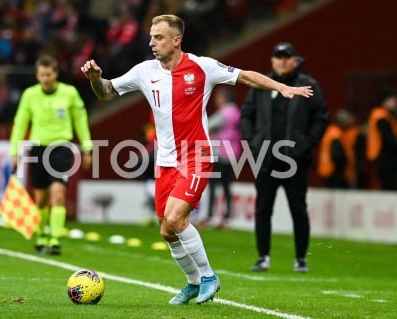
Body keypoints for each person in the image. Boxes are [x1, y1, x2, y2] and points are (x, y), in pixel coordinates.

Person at [81, 15, 313, 304]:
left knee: (177, 218)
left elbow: (245, 75)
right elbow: (106, 92)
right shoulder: (144, 71)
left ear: (176, 40)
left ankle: (208, 277)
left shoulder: (203, 67)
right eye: (151, 37)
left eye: (159, 37)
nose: (152, 42)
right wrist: (94, 79)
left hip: (196, 156)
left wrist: (279, 87)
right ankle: (192, 283)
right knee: (167, 231)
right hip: (165, 162)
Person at [240, 42, 328, 273]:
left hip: (296, 161)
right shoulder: (260, 84)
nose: (281, 61)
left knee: (298, 209)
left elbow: (320, 118)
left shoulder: (308, 85)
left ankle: (300, 258)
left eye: (286, 57)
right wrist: (254, 143)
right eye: (277, 57)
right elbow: (246, 115)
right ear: (272, 61)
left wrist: (305, 145)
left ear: (295, 59)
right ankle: (263, 257)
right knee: (263, 209)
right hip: (265, 159)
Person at [10, 54, 93, 255]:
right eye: (42, 75)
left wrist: (87, 148)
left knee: (58, 194)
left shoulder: (69, 93)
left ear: (55, 73)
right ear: (37, 76)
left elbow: (80, 121)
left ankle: (55, 239)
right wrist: (14, 151)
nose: (45, 79)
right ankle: (41, 235)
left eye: (48, 74)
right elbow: (20, 123)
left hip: (61, 149)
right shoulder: (30, 95)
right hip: (38, 149)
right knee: (40, 198)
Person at [200, 87, 242, 228]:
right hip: (233, 153)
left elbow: (206, 126)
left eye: (218, 97)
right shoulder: (238, 113)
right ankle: (228, 218)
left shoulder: (224, 113)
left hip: (219, 153)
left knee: (212, 185)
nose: (216, 100)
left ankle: (209, 217)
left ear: (224, 98)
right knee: (226, 186)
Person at [317, 109, 355, 189]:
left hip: (329, 171)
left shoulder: (332, 131)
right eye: (347, 119)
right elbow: (337, 155)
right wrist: (344, 165)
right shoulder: (336, 134)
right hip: (335, 173)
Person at [366, 91, 397, 190]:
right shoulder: (381, 117)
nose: (395, 103)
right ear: (384, 102)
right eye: (392, 100)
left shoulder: (383, 115)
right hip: (385, 158)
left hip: (383, 157)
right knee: (390, 187)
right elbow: (388, 139)